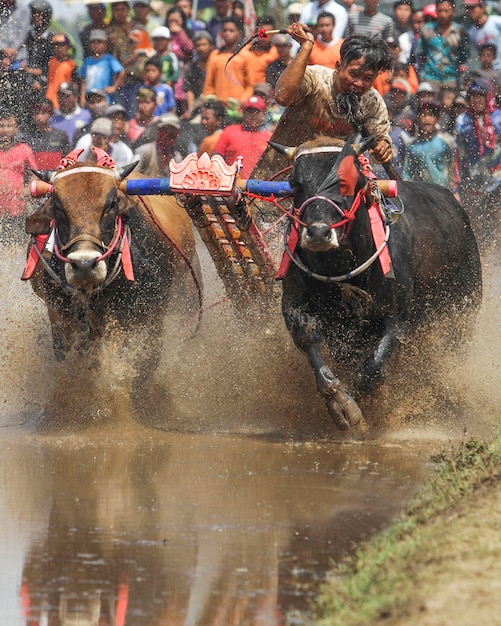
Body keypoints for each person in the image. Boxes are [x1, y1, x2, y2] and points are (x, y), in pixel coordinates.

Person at [252, 31, 393, 179]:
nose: (359, 83)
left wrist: (383, 149)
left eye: (368, 78)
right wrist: (306, 47)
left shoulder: (372, 102)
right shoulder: (316, 79)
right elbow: (282, 97)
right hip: (278, 177)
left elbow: (379, 146)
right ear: (339, 66)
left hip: (329, 186)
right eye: (354, 74)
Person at [454, 77, 501, 195]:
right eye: (472, 96)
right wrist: (456, 186)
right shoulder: (463, 121)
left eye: (480, 95)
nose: (476, 100)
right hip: (473, 180)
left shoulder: (498, 118)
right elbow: (458, 154)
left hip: (498, 180)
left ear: (488, 96)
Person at [415, 0, 469, 93]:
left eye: (446, 11)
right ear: (436, 11)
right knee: (429, 105)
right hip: (430, 77)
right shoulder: (427, 30)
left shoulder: (459, 31)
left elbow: (464, 56)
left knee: (449, 105)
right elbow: (420, 53)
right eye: (440, 11)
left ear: (453, 11)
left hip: (451, 78)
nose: (443, 14)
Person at [0, 108, 37, 238]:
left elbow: (35, 173)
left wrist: (28, 189)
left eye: (9, 126)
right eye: (2, 126)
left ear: (16, 129)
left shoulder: (24, 149)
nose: (5, 130)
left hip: (17, 204)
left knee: (18, 239)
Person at [214, 95, 272, 177]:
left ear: (263, 114)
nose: (252, 115)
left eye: (256, 112)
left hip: (259, 185)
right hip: (232, 183)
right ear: (243, 113)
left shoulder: (269, 137)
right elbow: (216, 159)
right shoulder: (229, 131)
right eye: (249, 111)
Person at [403, 100, 455, 187]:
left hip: (442, 192)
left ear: (437, 119)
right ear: (418, 118)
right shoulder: (412, 145)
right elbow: (407, 172)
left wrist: (454, 190)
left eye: (431, 115)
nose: (427, 119)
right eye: (423, 115)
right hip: (421, 193)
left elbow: (453, 168)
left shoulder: (445, 142)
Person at [203, 17, 253, 104]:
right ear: (221, 33)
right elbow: (208, 85)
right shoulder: (215, 55)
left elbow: (250, 86)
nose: (227, 33)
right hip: (218, 107)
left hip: (238, 107)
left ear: (239, 34)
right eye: (225, 30)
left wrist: (241, 101)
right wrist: (211, 102)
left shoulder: (246, 55)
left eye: (231, 31)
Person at [79, 29, 125, 107]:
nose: (96, 44)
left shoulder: (109, 59)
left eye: (99, 42)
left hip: (105, 99)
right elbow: (83, 79)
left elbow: (122, 71)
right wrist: (82, 96)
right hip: (89, 99)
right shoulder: (87, 61)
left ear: (105, 44)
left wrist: (114, 87)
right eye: (93, 42)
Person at [134, 111, 183, 175]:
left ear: (177, 134)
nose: (168, 135)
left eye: (172, 132)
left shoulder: (177, 158)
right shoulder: (145, 151)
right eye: (165, 130)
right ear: (159, 131)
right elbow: (130, 176)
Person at [25, 98, 69, 168]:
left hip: (56, 174)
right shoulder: (27, 137)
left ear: (50, 114)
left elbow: (67, 158)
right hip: (36, 176)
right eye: (36, 113)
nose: (39, 116)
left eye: (43, 113)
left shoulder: (60, 135)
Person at [49, 81, 92, 146]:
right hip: (60, 153)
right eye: (60, 95)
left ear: (75, 98)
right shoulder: (52, 117)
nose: (63, 99)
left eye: (67, 96)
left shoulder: (86, 115)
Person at [183, 30, 214, 116]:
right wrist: (191, 109)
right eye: (198, 45)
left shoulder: (217, 64)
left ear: (211, 46)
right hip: (198, 107)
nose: (201, 48)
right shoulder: (192, 67)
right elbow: (189, 89)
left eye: (204, 44)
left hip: (215, 105)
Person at [465, 0, 501, 71]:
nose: (469, 11)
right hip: (489, 74)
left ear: (483, 7)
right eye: (467, 8)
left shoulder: (496, 21)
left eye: (473, 8)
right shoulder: (471, 33)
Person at [46, 33, 77, 111]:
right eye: (56, 46)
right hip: (49, 99)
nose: (59, 48)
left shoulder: (71, 65)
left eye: (62, 45)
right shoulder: (51, 62)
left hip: (63, 101)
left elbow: (75, 84)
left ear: (68, 47)